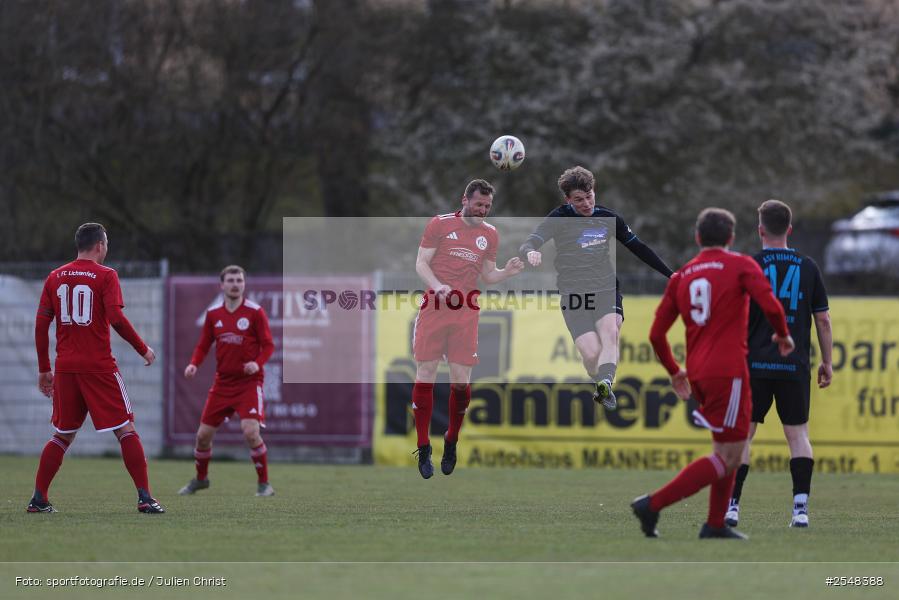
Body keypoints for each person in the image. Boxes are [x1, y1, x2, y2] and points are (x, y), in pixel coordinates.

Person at [634, 208, 795, 539]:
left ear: (697, 237)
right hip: (729, 372)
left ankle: (715, 524)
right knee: (732, 454)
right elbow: (771, 305)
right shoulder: (740, 265)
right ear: (732, 238)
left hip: (699, 373)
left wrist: (675, 371)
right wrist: (782, 334)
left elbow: (655, 335)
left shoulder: (682, 276)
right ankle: (652, 504)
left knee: (726, 450)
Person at [29, 222, 164, 514]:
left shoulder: (55, 277)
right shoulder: (106, 275)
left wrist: (44, 369)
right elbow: (115, 318)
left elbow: (41, 325)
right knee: (125, 429)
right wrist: (143, 348)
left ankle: (39, 499)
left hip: (65, 369)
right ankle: (145, 497)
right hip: (99, 367)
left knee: (62, 435)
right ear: (100, 245)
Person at [519, 166, 673, 409]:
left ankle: (606, 384)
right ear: (567, 199)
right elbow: (530, 242)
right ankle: (601, 381)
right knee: (591, 356)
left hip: (605, 290)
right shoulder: (558, 219)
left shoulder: (609, 218)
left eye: (589, 196)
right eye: (579, 200)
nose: (586, 203)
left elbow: (640, 248)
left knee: (610, 333)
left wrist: (671, 275)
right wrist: (531, 252)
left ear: (594, 191)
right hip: (573, 296)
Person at [725, 199, 833, 529]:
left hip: (753, 364)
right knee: (798, 436)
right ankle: (800, 509)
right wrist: (827, 362)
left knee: (743, 436)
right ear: (789, 229)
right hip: (794, 364)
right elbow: (823, 320)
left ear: (760, 230)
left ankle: (732, 507)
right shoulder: (808, 265)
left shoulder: (749, 264)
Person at [412, 179, 524, 479]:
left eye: (487, 206)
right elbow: (421, 263)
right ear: (465, 200)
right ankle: (423, 448)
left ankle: (451, 440)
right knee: (426, 374)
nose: (483, 211)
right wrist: (437, 287)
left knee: (461, 384)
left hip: (466, 312)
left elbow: (488, 275)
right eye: (479, 205)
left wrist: (507, 272)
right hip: (435, 308)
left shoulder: (490, 234)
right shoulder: (440, 224)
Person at [178, 265, 276, 497]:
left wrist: (257, 363)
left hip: (249, 383)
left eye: (239, 280)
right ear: (221, 285)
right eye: (231, 280)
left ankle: (264, 485)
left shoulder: (255, 312)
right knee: (202, 436)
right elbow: (203, 345)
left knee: (250, 432)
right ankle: (201, 480)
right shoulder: (213, 315)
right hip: (223, 383)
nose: (235, 284)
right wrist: (194, 364)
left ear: (244, 284)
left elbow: (269, 345)